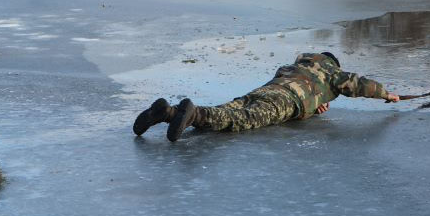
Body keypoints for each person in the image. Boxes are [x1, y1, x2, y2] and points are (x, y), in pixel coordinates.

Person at [133, 52, 400, 142]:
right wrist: (387, 94)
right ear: (332, 64)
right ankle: (194, 113)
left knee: (233, 107)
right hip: (286, 101)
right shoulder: (331, 73)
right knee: (240, 120)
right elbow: (358, 84)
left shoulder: (296, 67)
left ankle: (167, 113)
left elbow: (302, 85)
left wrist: (314, 105)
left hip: (263, 91)